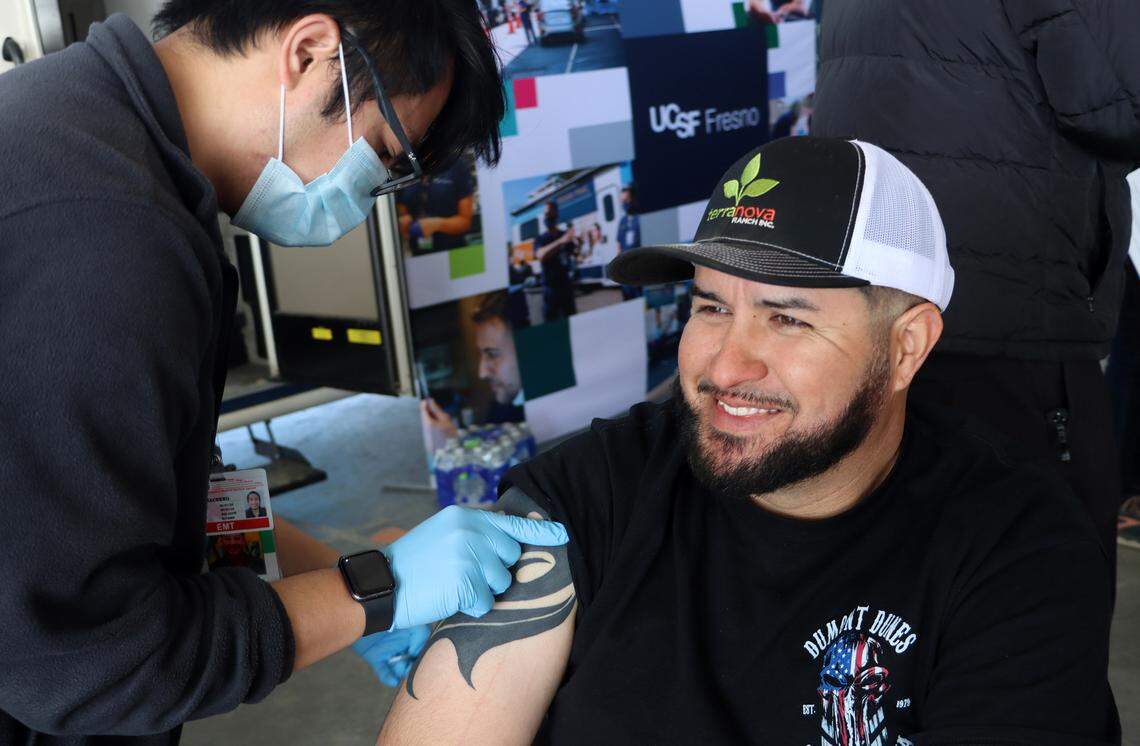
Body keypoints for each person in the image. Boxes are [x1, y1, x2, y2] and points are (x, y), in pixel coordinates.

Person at [379, 138, 1119, 744]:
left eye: (787, 318)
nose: (726, 366)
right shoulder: (596, 488)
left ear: (906, 348)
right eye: (708, 306)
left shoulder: (1019, 549)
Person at [0, 2, 570, 742]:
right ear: (308, 52)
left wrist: (349, 574)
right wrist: (375, 594)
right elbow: (93, 660)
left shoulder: (84, 130)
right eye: (386, 153)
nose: (369, 195)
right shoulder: (105, 236)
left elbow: (173, 493)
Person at [812, 0, 1140, 567]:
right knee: (1035, 588)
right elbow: (1122, 104)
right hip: (1007, 309)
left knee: (895, 586)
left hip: (874, 297)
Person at [422, 292, 526, 447]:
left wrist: (451, 447)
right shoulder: (503, 407)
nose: (482, 372)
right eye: (481, 354)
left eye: (492, 354)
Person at [396, 156, 476, 256]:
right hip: (419, 255)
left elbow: (465, 221)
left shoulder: (456, 165)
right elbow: (401, 209)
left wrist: (436, 224)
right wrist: (403, 222)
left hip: (453, 253)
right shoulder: (405, 166)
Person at [535, 202, 579, 320]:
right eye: (545, 214)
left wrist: (577, 244)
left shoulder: (564, 234)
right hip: (550, 290)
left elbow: (573, 254)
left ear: (556, 215)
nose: (546, 217)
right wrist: (560, 242)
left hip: (566, 287)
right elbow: (540, 255)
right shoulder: (541, 238)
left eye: (549, 214)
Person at [615, 184, 643, 301]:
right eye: (623, 201)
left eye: (627, 200)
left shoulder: (641, 218)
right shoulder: (622, 221)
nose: (625, 204)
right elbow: (619, 244)